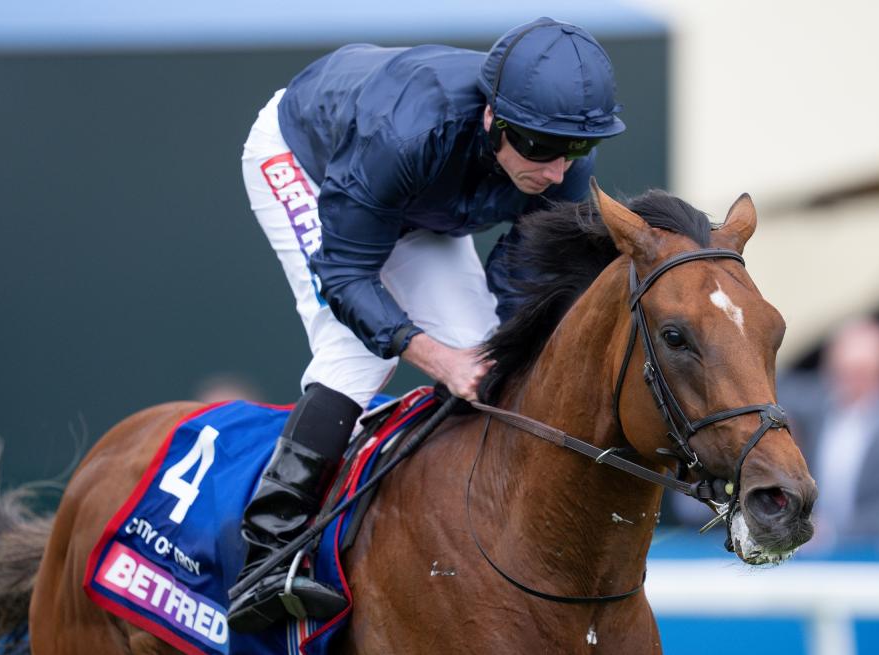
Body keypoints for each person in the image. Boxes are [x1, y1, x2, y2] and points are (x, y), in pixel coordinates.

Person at [232, 17, 626, 629]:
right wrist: (436, 358)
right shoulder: (403, 132)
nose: (555, 172)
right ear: (493, 118)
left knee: (483, 354)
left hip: (417, 196)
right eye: (540, 148)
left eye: (571, 150)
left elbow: (519, 278)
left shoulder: (561, 159)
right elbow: (345, 274)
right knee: (361, 350)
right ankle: (268, 552)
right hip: (308, 159)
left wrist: (496, 351)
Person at [779, 318, 879, 549]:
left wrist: (830, 532)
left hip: (871, 555)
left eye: (860, 373)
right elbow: (774, 389)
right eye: (840, 372)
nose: (848, 383)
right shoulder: (818, 402)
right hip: (809, 550)